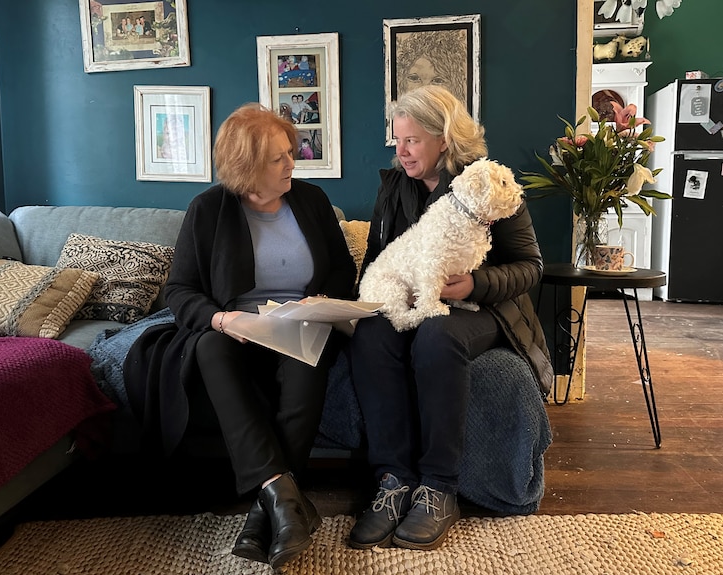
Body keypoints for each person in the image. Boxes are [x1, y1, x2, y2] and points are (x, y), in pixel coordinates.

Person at [124, 103, 356, 568]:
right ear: (247, 166)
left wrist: (320, 300)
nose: (294, 162)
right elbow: (180, 289)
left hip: (303, 321)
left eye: (292, 152)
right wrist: (222, 320)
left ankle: (268, 506)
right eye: (279, 158)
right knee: (208, 346)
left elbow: (341, 269)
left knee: (307, 363)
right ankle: (285, 499)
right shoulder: (208, 209)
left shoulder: (311, 201)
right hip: (239, 329)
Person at [347, 85, 553, 551]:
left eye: (412, 141)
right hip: (410, 297)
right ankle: (393, 481)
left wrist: (475, 284)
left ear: (444, 139)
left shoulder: (490, 184)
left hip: (480, 309)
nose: (401, 151)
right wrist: (359, 307)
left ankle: (440, 487)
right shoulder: (394, 185)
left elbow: (530, 266)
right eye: (397, 141)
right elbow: (380, 259)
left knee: (437, 337)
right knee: (370, 335)